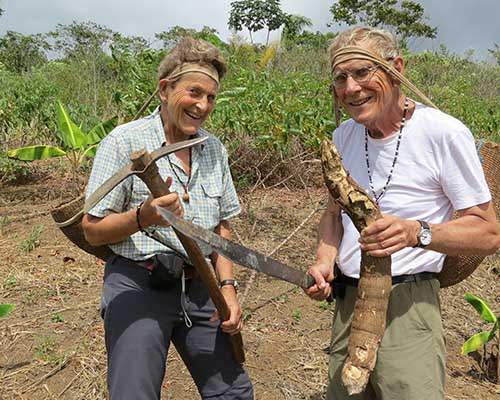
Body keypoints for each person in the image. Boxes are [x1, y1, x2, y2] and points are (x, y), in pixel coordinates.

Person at [305, 26, 500, 400]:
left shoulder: (442, 133)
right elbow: (333, 215)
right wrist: (324, 259)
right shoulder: (343, 136)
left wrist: (416, 232)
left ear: (396, 68)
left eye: (363, 72)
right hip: (349, 305)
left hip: (407, 307)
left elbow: (488, 233)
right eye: (341, 77)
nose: (351, 88)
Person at [82, 37, 254, 400]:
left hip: (202, 285)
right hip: (138, 284)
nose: (203, 105)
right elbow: (92, 230)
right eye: (194, 92)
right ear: (165, 89)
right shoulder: (124, 141)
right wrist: (144, 217)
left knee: (233, 392)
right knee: (134, 393)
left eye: (211, 97)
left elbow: (222, 229)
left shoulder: (212, 149)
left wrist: (227, 288)